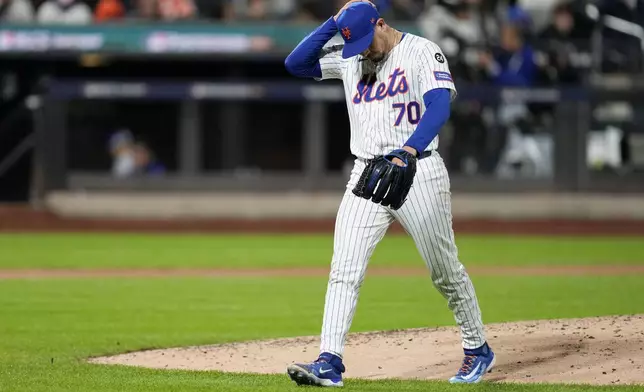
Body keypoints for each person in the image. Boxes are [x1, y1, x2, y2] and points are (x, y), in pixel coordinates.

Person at [283, 0, 495, 387]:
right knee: (344, 270)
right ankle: (329, 361)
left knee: (444, 271)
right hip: (366, 173)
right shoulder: (351, 56)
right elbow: (295, 64)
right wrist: (335, 23)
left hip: (418, 169)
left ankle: (477, 347)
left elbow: (438, 109)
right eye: (356, 42)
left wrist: (410, 149)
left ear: (381, 23)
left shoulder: (421, 51)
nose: (362, 49)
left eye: (366, 38)